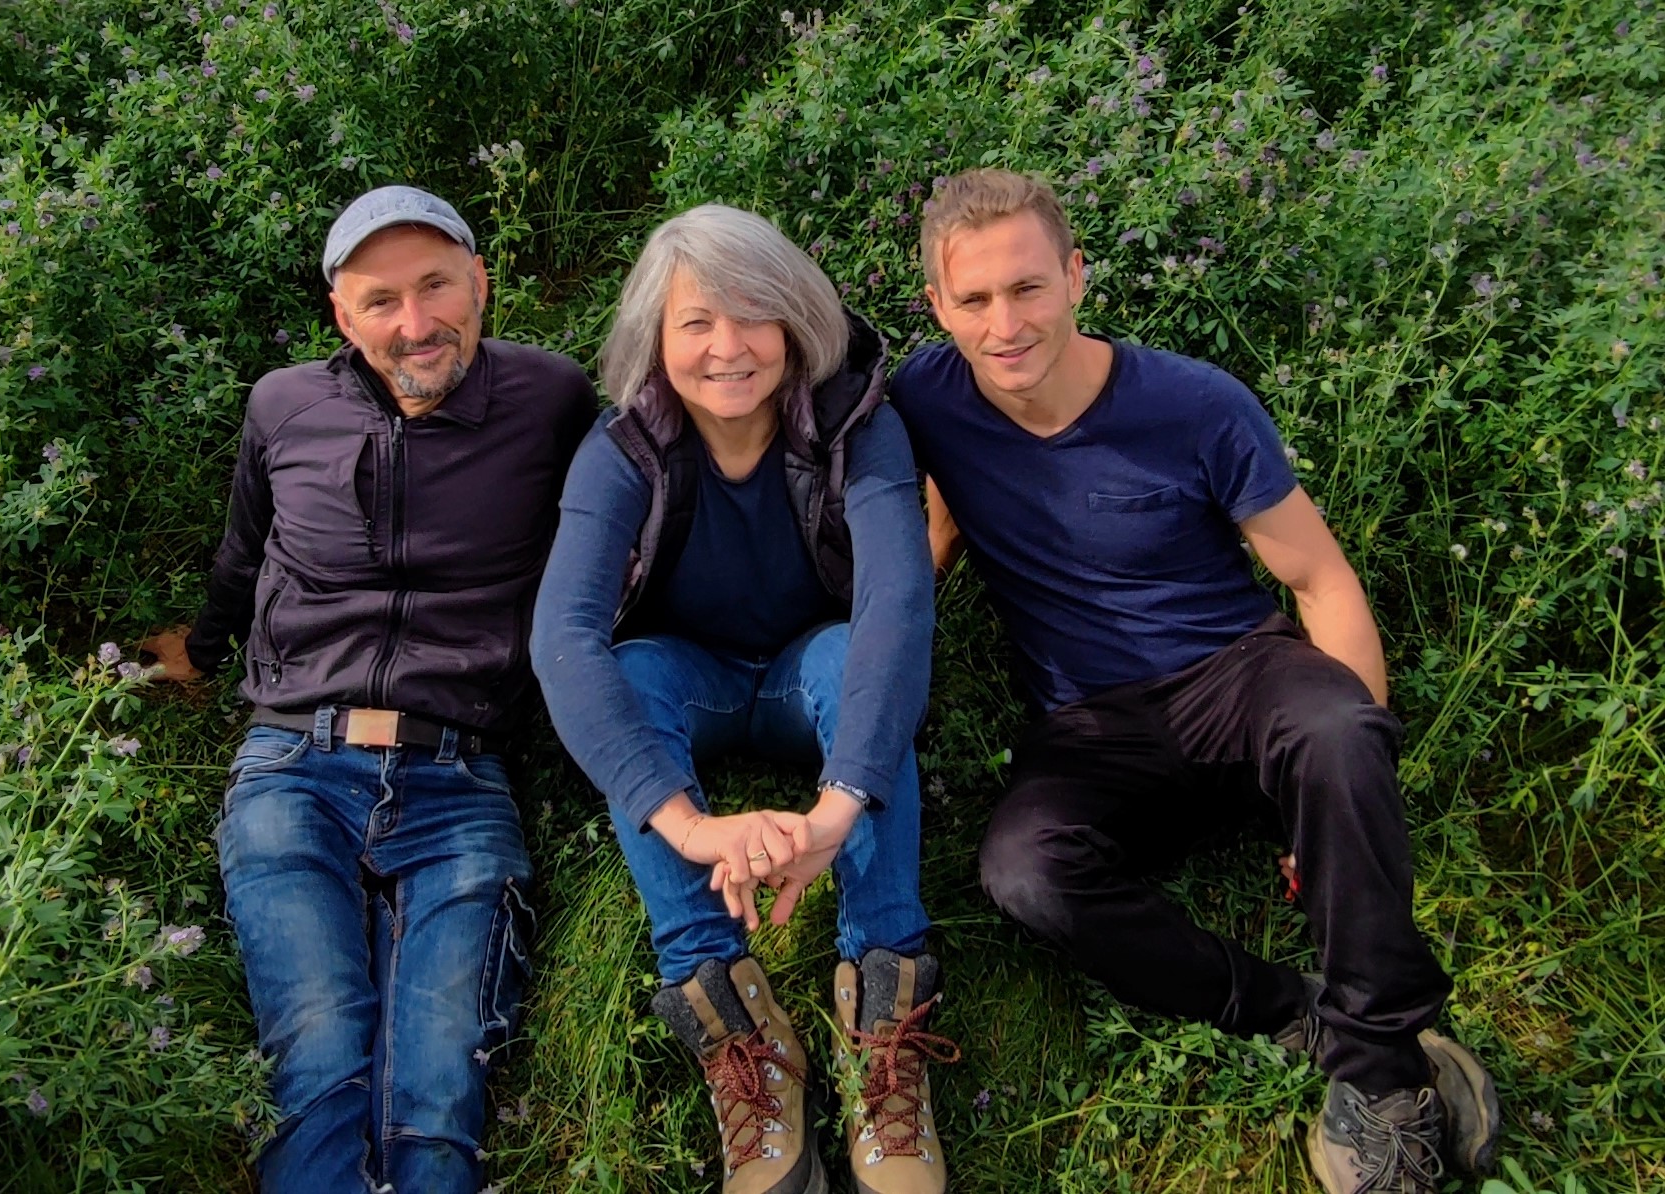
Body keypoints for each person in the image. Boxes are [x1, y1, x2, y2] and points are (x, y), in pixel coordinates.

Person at [891, 169, 1502, 1194]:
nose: (1006, 323)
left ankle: (1381, 1069)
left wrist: (1350, 775)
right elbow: (932, 532)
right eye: (975, 300)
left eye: (1028, 287)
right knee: (1024, 874)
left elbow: (1318, 576)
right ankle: (1290, 1009)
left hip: (1233, 677)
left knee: (1338, 731)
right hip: (1086, 727)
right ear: (938, 308)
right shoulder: (926, 398)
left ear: (1076, 276)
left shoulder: (1194, 404)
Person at [141, 184, 596, 1194]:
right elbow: (241, 555)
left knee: (437, 1099)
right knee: (318, 1061)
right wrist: (202, 654)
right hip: (292, 769)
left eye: (436, 287)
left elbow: (633, 530)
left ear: (481, 283)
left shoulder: (554, 399)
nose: (415, 322)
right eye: (380, 300)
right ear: (343, 316)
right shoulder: (283, 404)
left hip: (459, 779)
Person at [531, 204, 955, 1194]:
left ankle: (881, 1022)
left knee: (865, 657)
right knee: (628, 681)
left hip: (818, 660)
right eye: (696, 323)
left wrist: (837, 804)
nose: (728, 349)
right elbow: (564, 636)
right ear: (656, 336)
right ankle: (738, 1034)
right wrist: (688, 828)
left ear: (795, 320)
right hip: (691, 674)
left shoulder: (860, 425)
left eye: (753, 315)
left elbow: (898, 602)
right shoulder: (622, 448)